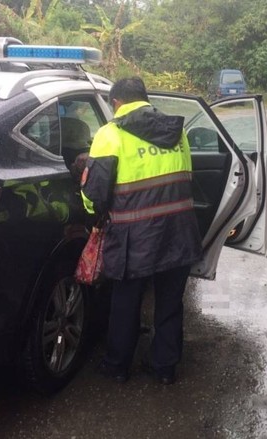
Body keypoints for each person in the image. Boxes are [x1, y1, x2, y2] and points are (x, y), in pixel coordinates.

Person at [80, 77, 202, 384]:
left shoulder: (110, 134)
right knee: (170, 303)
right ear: (145, 99)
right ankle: (164, 369)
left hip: (134, 237)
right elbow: (187, 176)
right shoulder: (179, 131)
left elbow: (95, 193)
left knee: (125, 303)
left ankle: (117, 366)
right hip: (179, 231)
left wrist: (92, 214)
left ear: (117, 103)